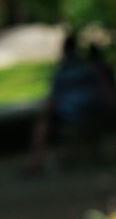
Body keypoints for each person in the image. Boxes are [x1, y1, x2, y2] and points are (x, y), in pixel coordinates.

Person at [29, 33, 103, 172]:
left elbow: (52, 100)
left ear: (64, 49)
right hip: (94, 112)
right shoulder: (88, 66)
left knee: (42, 124)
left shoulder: (63, 71)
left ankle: (36, 163)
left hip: (73, 116)